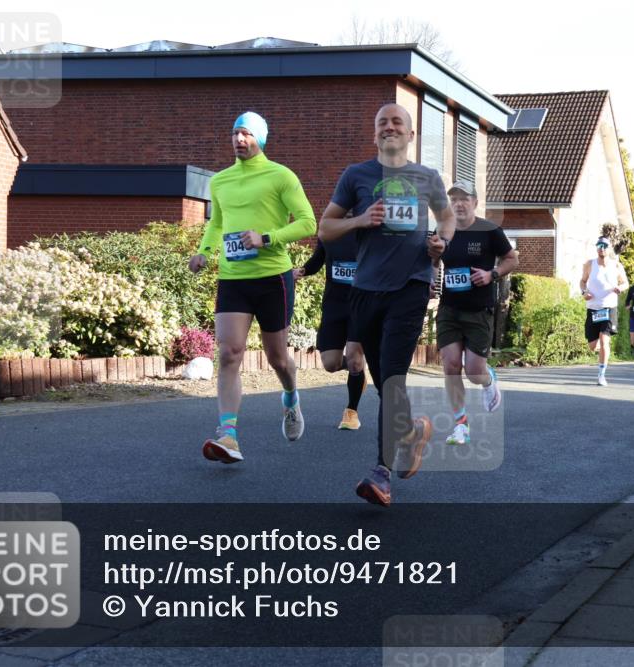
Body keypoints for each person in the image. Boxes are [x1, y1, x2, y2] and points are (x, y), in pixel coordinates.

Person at [320, 103, 455, 507]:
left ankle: (381, 471)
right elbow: (325, 228)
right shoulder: (355, 176)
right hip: (365, 289)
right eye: (382, 122)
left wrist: (440, 243)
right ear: (375, 133)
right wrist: (359, 221)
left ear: (411, 135)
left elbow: (447, 220)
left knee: (394, 375)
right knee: (383, 382)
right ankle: (412, 430)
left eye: (397, 122)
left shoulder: (427, 178)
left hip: (410, 287)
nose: (389, 127)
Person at [189, 111, 317, 463]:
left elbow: (308, 221)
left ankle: (291, 397)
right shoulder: (221, 181)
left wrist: (267, 238)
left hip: (272, 278)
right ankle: (228, 435)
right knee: (229, 353)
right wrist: (204, 251)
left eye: (245, 133)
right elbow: (217, 223)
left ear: (260, 139)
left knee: (277, 358)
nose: (238, 139)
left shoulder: (281, 176)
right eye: (234, 133)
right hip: (233, 278)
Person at [437, 181, 518, 445]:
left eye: (464, 199)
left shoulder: (490, 230)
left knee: (473, 372)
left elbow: (511, 258)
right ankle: (460, 425)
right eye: (454, 199)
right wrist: (429, 276)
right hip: (449, 308)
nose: (459, 204)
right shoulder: (443, 230)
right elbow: (431, 258)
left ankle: (488, 378)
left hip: (478, 309)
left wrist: (491, 274)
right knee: (450, 366)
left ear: (475, 202)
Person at [293, 236, 367, 430]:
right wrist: (301, 271)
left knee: (354, 358)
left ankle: (351, 412)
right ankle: (358, 373)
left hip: (361, 305)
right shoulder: (329, 232)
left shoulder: (368, 231)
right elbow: (318, 259)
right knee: (330, 364)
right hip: (334, 306)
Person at [580, 236, 629, 386]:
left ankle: (601, 374)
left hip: (609, 307)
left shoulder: (616, 266)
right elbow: (582, 281)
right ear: (596, 248)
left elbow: (625, 282)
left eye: (604, 245)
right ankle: (603, 349)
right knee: (593, 346)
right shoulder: (590, 264)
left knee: (604, 339)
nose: (601, 247)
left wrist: (620, 288)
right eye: (599, 245)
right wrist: (584, 292)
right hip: (593, 308)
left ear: (609, 248)